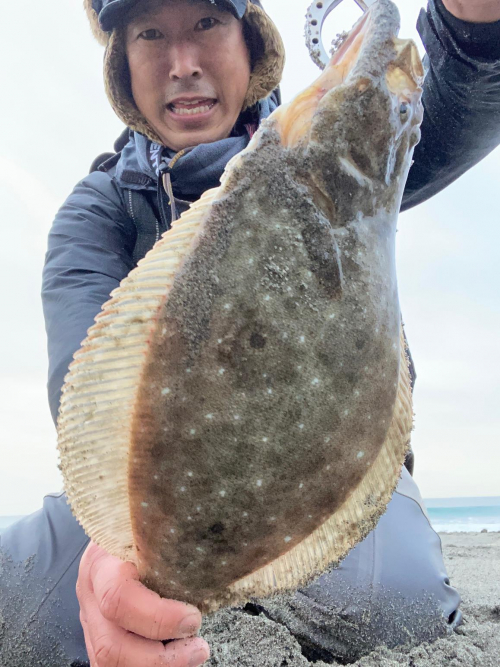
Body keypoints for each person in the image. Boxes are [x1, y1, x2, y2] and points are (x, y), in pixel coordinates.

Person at [0, 0, 499, 665]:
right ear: (123, 66)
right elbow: (81, 396)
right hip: (152, 493)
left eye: (206, 23)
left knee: (398, 607)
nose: (184, 64)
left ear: (252, 42)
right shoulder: (98, 212)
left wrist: (474, 28)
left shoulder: (330, 152)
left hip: (319, 473)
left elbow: (457, 99)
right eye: (151, 34)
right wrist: (114, 569)